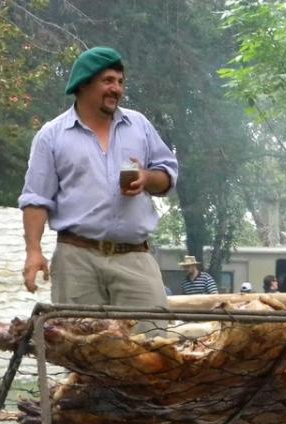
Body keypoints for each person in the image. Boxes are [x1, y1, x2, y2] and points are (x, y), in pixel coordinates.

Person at [19, 47, 178, 307]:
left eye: (120, 82)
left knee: (153, 340)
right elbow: (36, 198)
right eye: (108, 81)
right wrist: (33, 251)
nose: (117, 89)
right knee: (76, 343)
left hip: (134, 257)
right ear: (83, 85)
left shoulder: (139, 126)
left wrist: (146, 177)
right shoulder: (52, 135)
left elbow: (168, 175)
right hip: (76, 260)